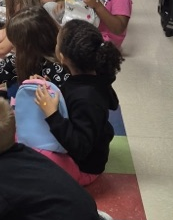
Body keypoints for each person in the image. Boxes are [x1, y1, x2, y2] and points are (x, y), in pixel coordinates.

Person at [34, 20, 122, 182]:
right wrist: (50, 87)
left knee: (29, 155)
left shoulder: (86, 97)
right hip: (85, 152)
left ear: (62, 57)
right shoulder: (96, 78)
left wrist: (52, 114)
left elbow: (80, 148)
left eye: (57, 42)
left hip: (83, 168)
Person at [0, 6, 70, 95]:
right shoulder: (28, 57)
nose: (12, 48)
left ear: (28, 45)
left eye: (15, 45)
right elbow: (4, 68)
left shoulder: (56, 69)